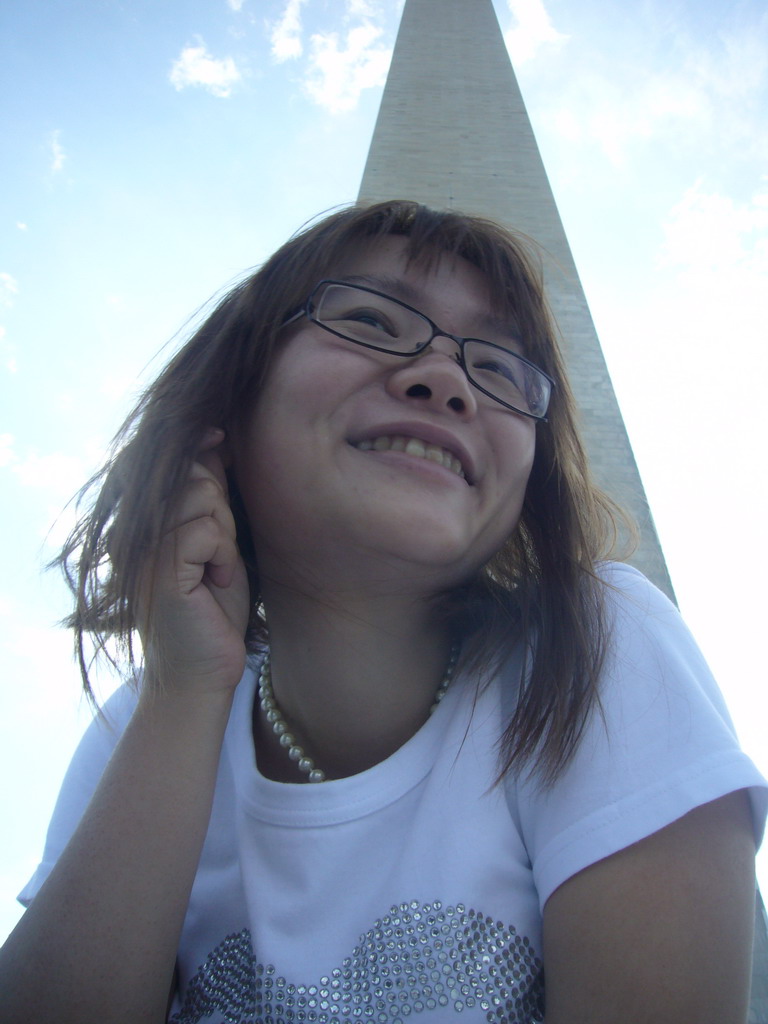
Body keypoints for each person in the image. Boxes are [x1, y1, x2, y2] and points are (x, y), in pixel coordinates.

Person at [0, 201, 764, 1024]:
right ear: (228, 400)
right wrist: (185, 694)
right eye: (369, 318)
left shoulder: (593, 644)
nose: (446, 379)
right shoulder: (143, 723)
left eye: (502, 368)